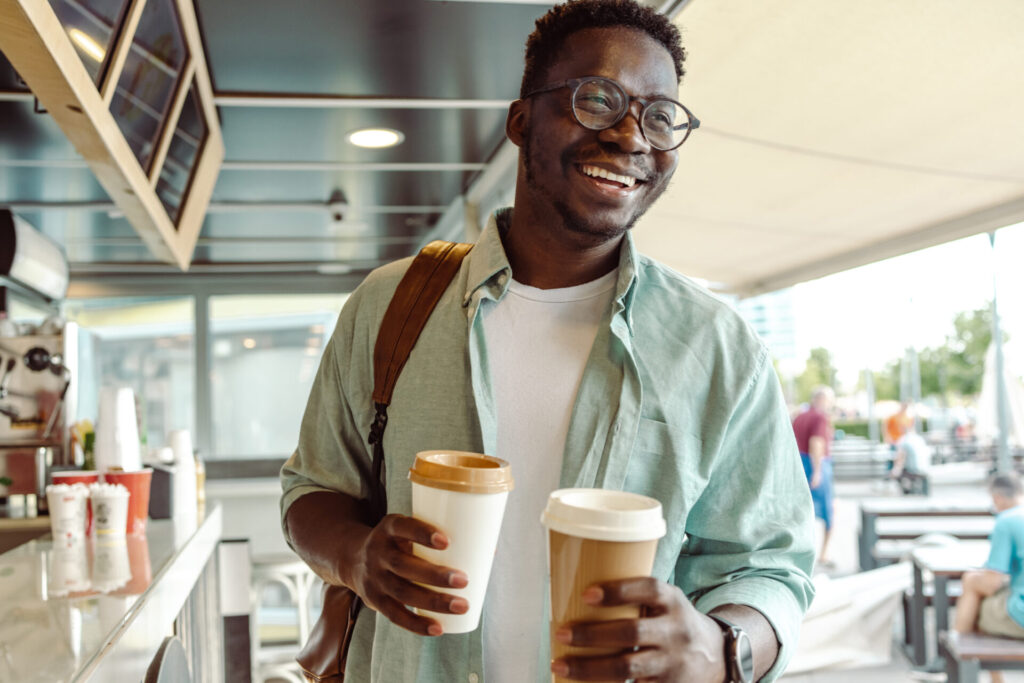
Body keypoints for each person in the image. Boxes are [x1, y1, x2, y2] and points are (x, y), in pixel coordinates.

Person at [280, 2, 815, 681]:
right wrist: (358, 557)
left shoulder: (716, 347)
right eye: (597, 98)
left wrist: (720, 647)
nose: (630, 135)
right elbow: (310, 493)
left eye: (659, 116)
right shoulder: (392, 306)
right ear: (521, 120)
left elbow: (771, 566)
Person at [953, 473, 1024, 683]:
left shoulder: (1007, 521)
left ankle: (955, 658)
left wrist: (973, 578)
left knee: (974, 595)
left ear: (997, 498)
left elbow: (991, 583)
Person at [792, 386, 836, 565]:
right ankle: (823, 554)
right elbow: (816, 443)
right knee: (828, 512)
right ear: (823, 400)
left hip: (799, 465)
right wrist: (817, 471)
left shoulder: (799, 417)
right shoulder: (819, 417)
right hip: (815, 465)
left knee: (801, 512)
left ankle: (801, 552)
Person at [890, 423, 932, 495]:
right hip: (925, 468)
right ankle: (919, 491)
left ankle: (907, 491)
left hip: (913, 470)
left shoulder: (904, 439)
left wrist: (895, 470)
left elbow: (900, 457)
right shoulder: (920, 439)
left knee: (897, 474)